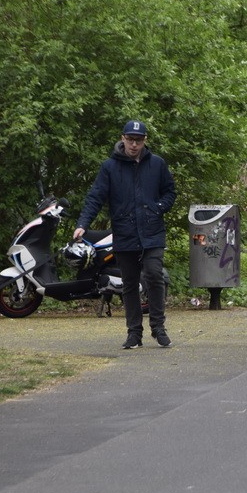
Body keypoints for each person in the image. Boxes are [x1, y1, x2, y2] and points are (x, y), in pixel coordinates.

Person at [74, 120, 176, 349]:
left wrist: (158, 207)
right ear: (122, 138)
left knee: (154, 275)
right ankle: (134, 333)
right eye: (130, 140)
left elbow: (170, 191)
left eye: (138, 140)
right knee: (129, 283)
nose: (133, 144)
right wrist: (82, 224)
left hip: (152, 231)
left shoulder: (157, 164)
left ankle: (158, 327)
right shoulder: (110, 167)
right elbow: (95, 197)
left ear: (145, 141)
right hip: (125, 232)